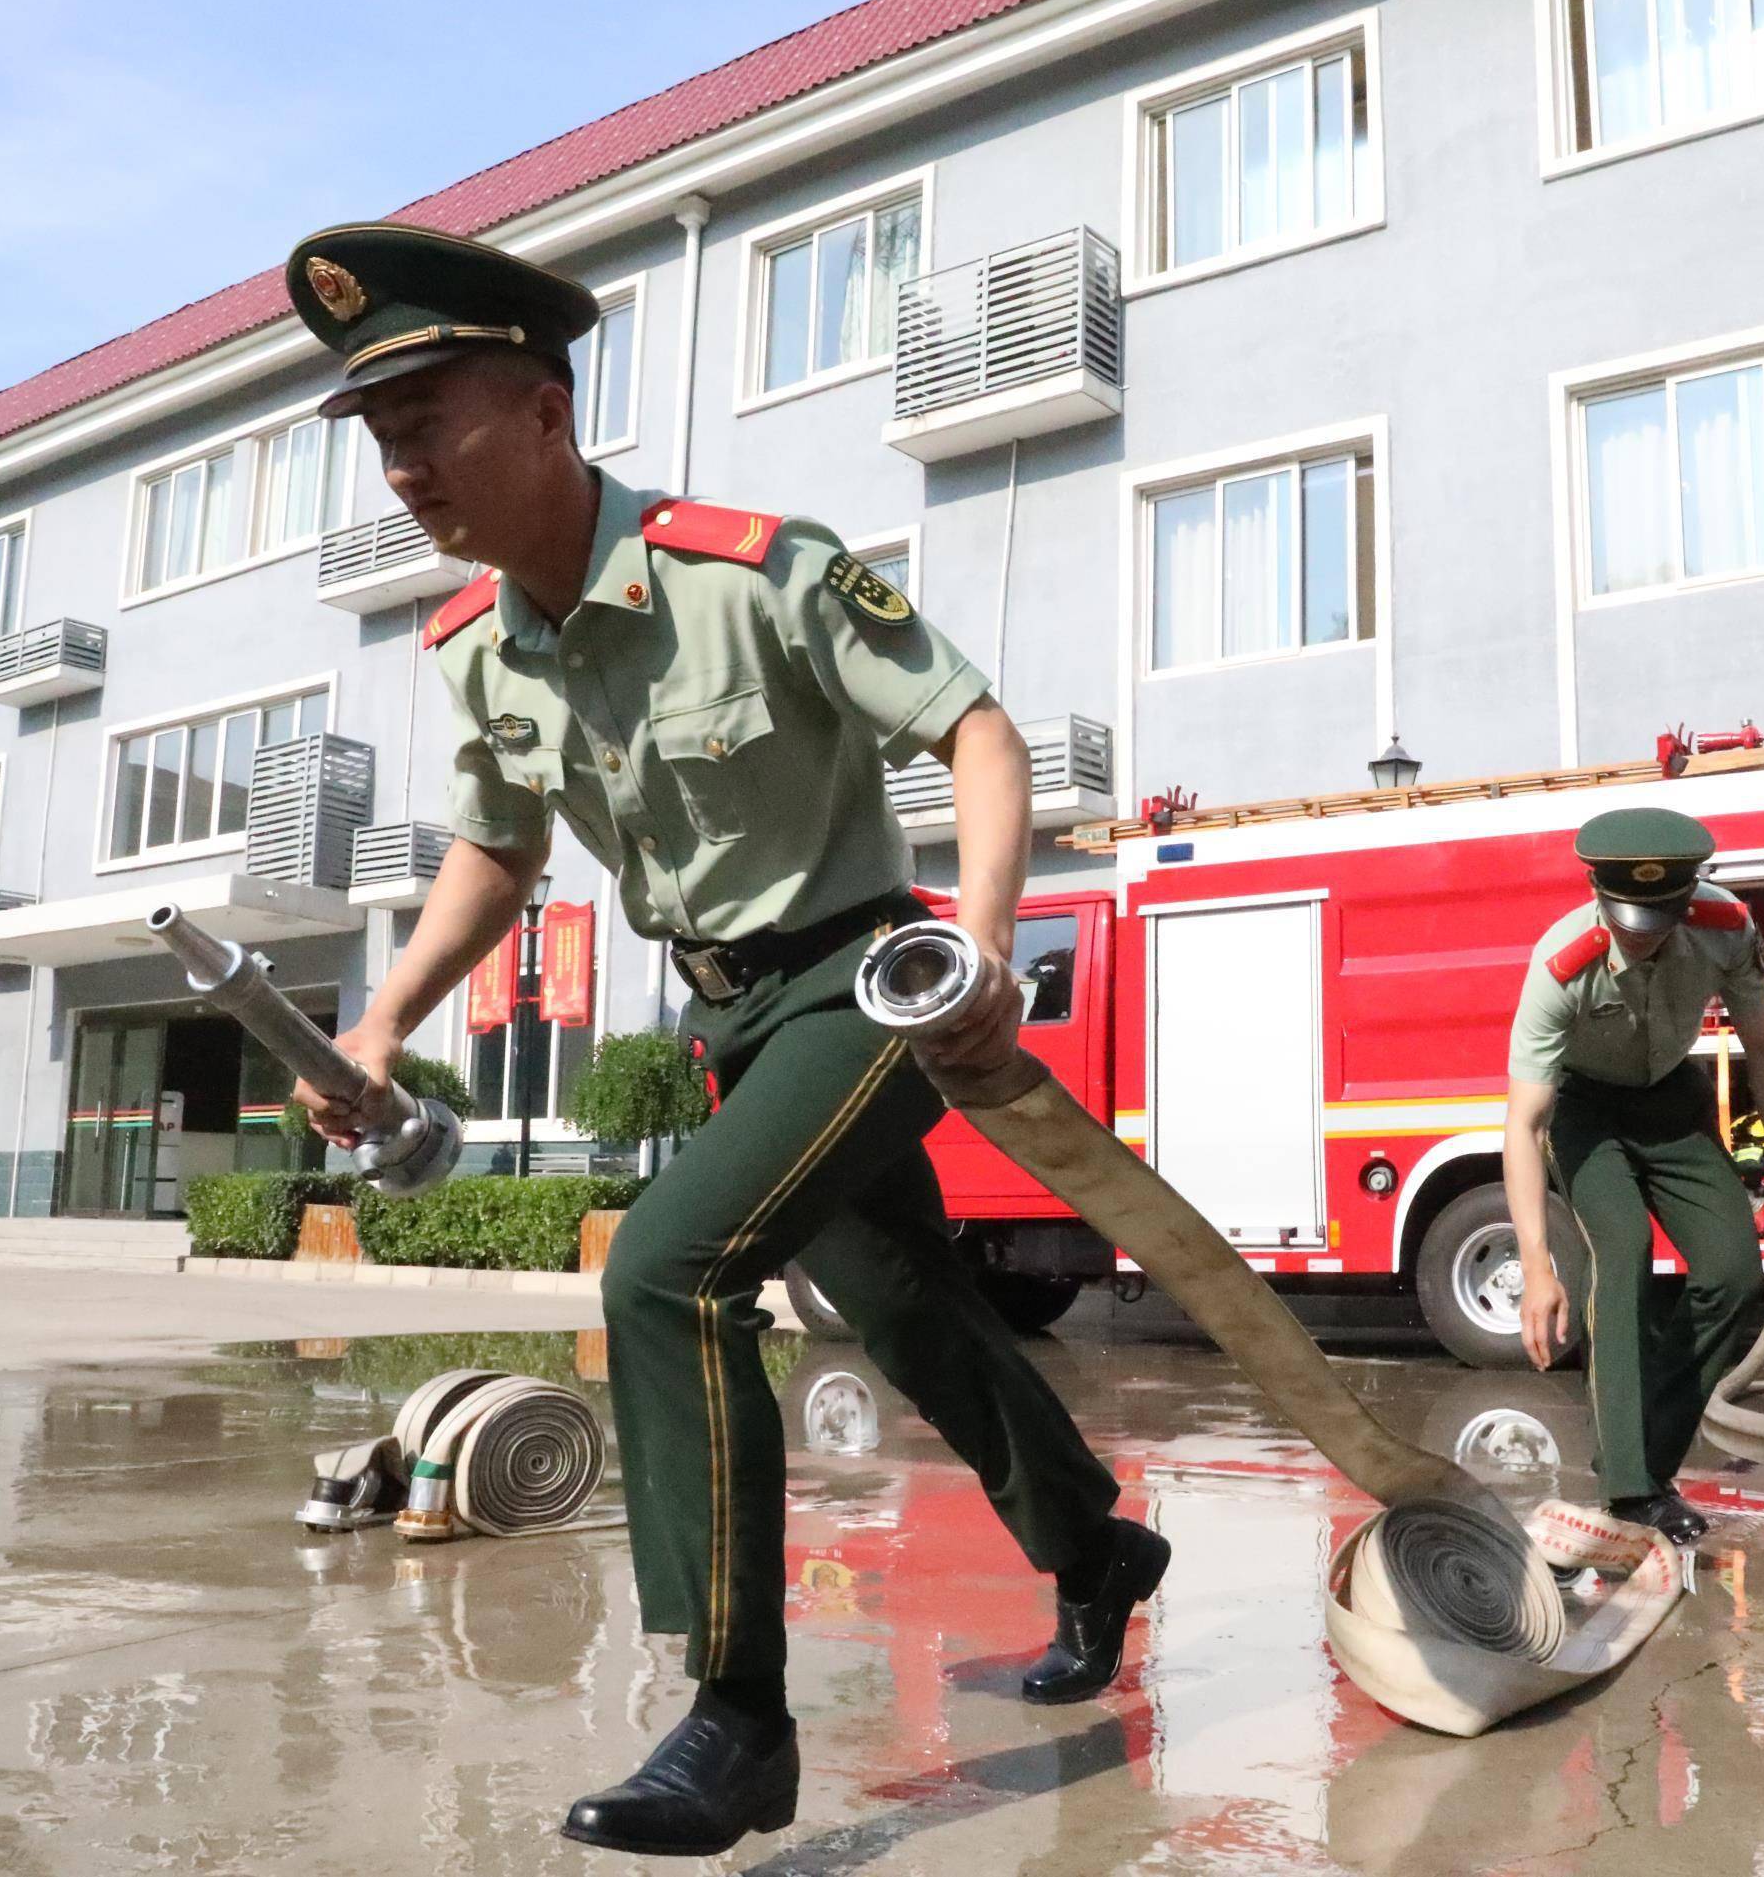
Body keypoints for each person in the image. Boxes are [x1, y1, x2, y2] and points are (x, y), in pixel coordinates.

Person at [281, 225, 1156, 1858]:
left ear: (544, 413)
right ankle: (1098, 1551)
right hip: (733, 1015)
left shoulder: (751, 570)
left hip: (865, 982)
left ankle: (737, 1720)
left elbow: (969, 726)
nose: (401, 470)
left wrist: (976, 942)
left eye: (429, 426)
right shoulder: (483, 647)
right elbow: (496, 852)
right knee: (906, 1308)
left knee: (667, 1272)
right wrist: (384, 1021)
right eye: (379, 441)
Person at [1501, 807, 1764, 1543]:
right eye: (1628, 920)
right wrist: (1538, 1266)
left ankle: (1646, 1452)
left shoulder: (1724, 927)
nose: (1641, 933)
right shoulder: (1563, 964)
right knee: (1622, 1253)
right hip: (1586, 1112)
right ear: (1597, 896)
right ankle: (1630, 1488)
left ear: (1686, 899)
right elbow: (1524, 1122)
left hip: (1671, 1103)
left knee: (1733, 1268)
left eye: (1658, 918)